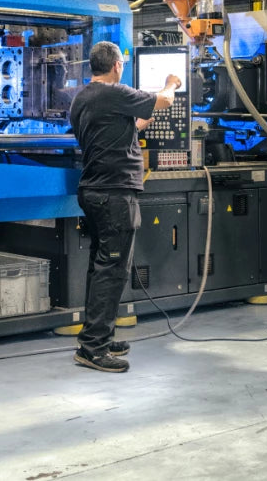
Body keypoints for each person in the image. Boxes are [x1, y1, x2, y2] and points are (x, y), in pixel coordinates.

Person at [68, 41, 181, 373]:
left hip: (94, 191)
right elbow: (164, 99)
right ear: (117, 65)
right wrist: (173, 81)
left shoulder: (83, 98)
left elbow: (127, 127)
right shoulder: (112, 92)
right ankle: (93, 349)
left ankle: (96, 335)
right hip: (114, 193)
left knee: (101, 268)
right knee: (112, 271)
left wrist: (143, 117)